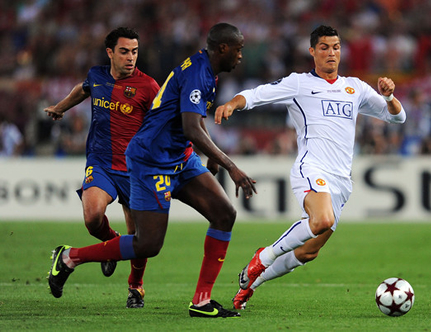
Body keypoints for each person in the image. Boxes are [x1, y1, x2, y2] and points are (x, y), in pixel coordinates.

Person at [48, 22, 256, 318]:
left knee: (224, 214)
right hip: (151, 160)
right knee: (147, 244)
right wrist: (230, 166)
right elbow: (190, 127)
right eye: (239, 49)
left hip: (179, 157)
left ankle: (201, 302)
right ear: (223, 48)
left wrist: (210, 156)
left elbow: (194, 118)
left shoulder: (205, 68)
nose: (241, 56)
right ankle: (70, 257)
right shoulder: (198, 72)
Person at [214, 25, 407, 310]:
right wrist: (232, 103)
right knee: (322, 220)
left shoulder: (355, 88)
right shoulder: (299, 83)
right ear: (312, 51)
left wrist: (390, 97)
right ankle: (263, 257)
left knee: (307, 252)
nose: (332, 53)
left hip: (341, 180)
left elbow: (398, 118)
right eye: (325, 47)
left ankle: (251, 284)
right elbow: (257, 95)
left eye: (336, 47)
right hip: (311, 167)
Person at [44, 27, 160, 308]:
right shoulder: (96, 76)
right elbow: (82, 90)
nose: (130, 57)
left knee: (140, 239)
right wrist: (60, 108)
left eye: (134, 51)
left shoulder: (148, 86)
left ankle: (135, 288)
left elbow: (162, 121)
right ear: (110, 52)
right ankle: (111, 244)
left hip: (136, 169)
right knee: (92, 216)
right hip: (101, 162)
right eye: (124, 51)